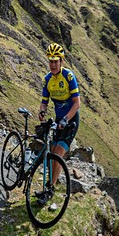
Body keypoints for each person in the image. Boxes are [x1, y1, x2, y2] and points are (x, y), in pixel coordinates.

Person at [38, 43, 80, 186]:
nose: (53, 64)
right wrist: (42, 111)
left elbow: (77, 103)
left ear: (61, 61)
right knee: (51, 154)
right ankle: (50, 185)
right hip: (58, 119)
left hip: (71, 119)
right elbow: (44, 101)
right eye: (50, 61)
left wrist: (66, 119)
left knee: (57, 154)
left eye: (56, 61)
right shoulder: (47, 79)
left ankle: (50, 188)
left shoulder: (68, 76)